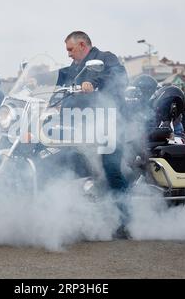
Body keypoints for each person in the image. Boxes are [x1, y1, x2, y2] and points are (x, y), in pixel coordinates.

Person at [56, 31, 130, 238]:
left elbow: (118, 76)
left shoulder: (106, 58)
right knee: (69, 161)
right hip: (84, 126)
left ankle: (126, 222)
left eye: (70, 49)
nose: (68, 54)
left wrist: (94, 83)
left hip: (111, 123)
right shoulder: (74, 67)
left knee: (111, 168)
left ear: (81, 45)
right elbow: (63, 84)